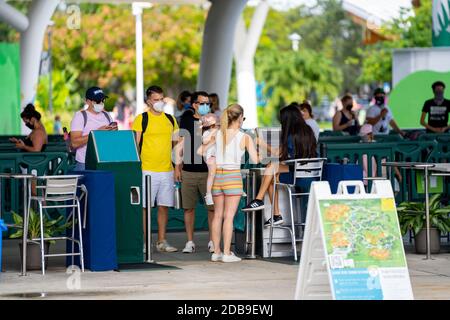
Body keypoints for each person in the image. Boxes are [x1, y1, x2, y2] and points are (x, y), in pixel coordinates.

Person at [243, 104, 317, 226]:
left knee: (271, 168)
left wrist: (261, 143)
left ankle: (259, 200)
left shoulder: (290, 135)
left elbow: (277, 153)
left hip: (297, 176)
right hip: (311, 174)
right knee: (271, 175)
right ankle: (276, 215)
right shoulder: (308, 131)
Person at [132, 85, 179, 253]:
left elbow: (177, 146)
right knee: (145, 207)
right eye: (156, 100)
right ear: (148, 101)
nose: (159, 103)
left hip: (167, 170)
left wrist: (177, 167)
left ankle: (161, 240)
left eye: (161, 99)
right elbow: (135, 145)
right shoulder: (141, 119)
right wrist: (135, 167)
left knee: (164, 206)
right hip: (147, 170)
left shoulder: (171, 119)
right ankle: (145, 242)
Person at [211, 104, 259, 263]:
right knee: (229, 217)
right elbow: (256, 160)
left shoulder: (218, 134)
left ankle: (216, 252)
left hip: (217, 177)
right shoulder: (244, 137)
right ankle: (226, 253)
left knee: (217, 215)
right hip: (233, 177)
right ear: (239, 118)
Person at [175, 91, 216, 254]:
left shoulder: (214, 120)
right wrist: (177, 167)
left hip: (209, 172)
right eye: (202, 103)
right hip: (189, 171)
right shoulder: (186, 119)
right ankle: (190, 241)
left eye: (208, 103)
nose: (206, 106)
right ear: (195, 105)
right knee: (188, 208)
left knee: (212, 208)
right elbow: (180, 143)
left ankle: (213, 241)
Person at [70, 87, 117, 171]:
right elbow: (74, 143)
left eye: (103, 100)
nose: (101, 103)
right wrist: (96, 133)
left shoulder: (107, 116)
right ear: (87, 101)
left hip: (105, 161)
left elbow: (112, 140)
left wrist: (113, 131)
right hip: (85, 163)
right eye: (98, 101)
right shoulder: (80, 116)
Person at [197, 113, 219, 206]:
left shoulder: (219, 131)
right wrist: (213, 136)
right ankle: (208, 194)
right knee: (211, 174)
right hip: (210, 156)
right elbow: (205, 141)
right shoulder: (207, 133)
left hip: (218, 155)